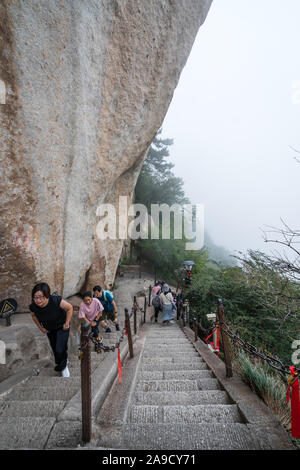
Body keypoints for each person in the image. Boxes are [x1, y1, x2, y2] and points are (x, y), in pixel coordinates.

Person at [29, 282, 73, 377]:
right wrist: (41, 328)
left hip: (62, 326)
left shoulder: (55, 300)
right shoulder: (33, 306)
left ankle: (63, 366)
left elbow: (70, 308)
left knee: (60, 348)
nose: (38, 300)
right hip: (50, 329)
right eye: (35, 297)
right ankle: (60, 363)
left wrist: (66, 323)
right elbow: (33, 316)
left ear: (47, 295)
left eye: (41, 297)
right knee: (54, 348)